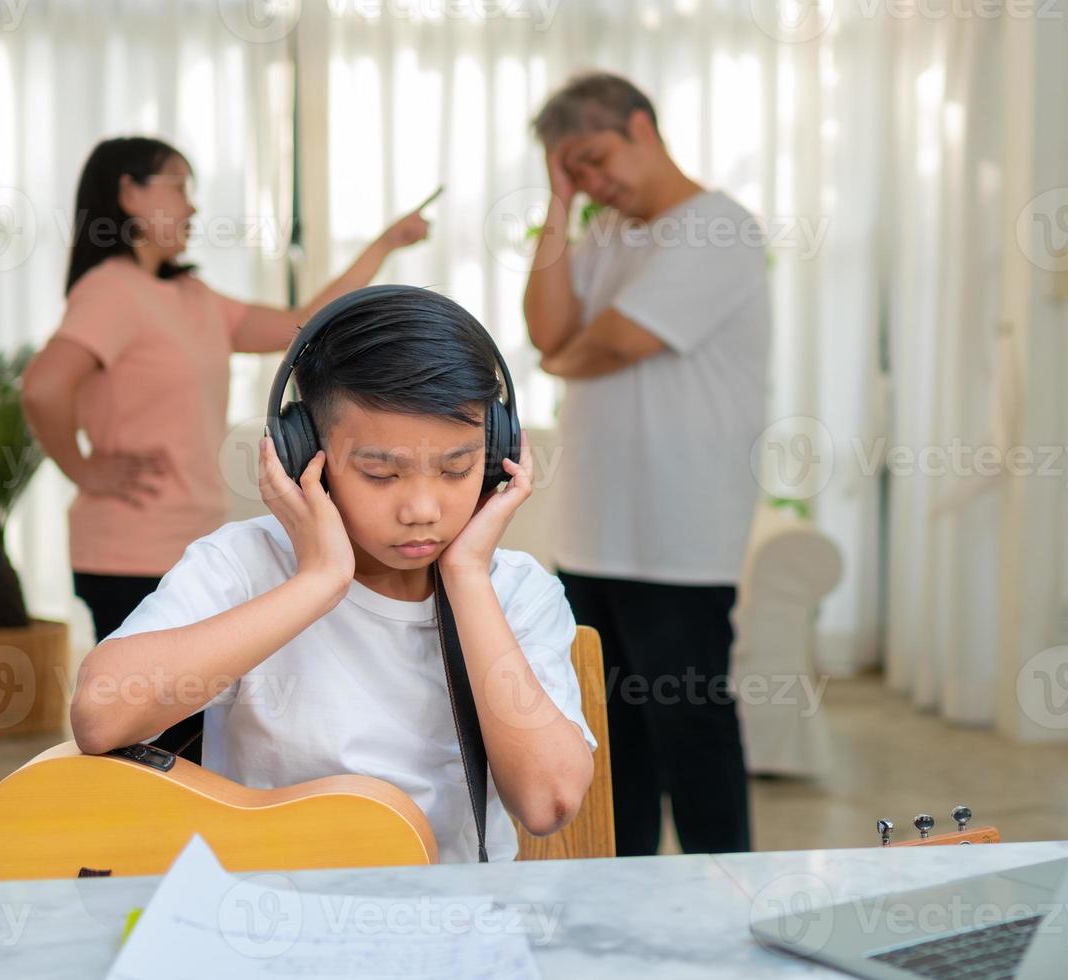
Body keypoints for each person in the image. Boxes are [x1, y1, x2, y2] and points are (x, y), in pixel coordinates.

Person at [68, 285, 596, 862]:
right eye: (380, 473)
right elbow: (101, 716)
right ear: (302, 456)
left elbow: (548, 803)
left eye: (457, 468)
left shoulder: (516, 591)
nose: (422, 508)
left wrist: (467, 574)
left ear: (495, 457)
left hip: (449, 923)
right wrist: (318, 582)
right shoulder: (243, 565)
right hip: (266, 914)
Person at [22, 136, 428, 758]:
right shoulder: (110, 290)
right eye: (177, 186)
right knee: (149, 744)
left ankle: (190, 857)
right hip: (127, 549)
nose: (190, 206)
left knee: (192, 741)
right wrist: (84, 468)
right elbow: (44, 386)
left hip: (191, 540)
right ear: (128, 193)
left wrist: (385, 243)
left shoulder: (193, 298)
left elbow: (309, 317)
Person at [523, 72, 771, 856]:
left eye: (595, 161)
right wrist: (559, 207)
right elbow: (547, 330)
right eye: (574, 173)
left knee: (691, 734)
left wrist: (565, 357)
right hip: (594, 530)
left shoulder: (716, 228)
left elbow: (616, 343)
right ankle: (620, 895)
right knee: (610, 739)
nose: (592, 183)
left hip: (680, 535)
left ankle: (726, 898)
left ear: (642, 127)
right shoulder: (603, 236)